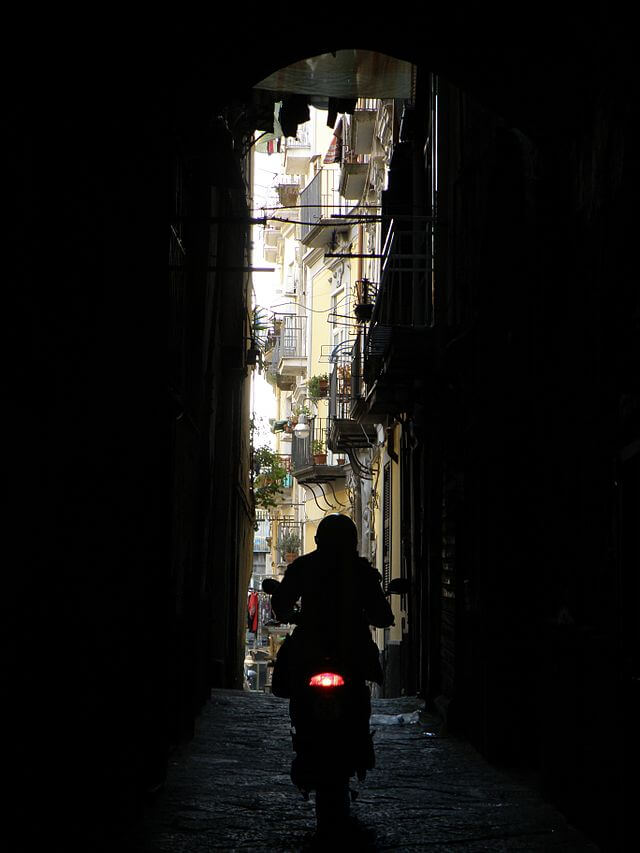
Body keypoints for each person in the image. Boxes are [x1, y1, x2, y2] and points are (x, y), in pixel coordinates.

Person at [271, 514, 394, 684]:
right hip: (352, 644)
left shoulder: (303, 566)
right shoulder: (363, 571)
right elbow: (381, 614)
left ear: (317, 540)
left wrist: (292, 616)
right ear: (353, 542)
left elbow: (281, 602)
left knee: (289, 670)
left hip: (311, 641)